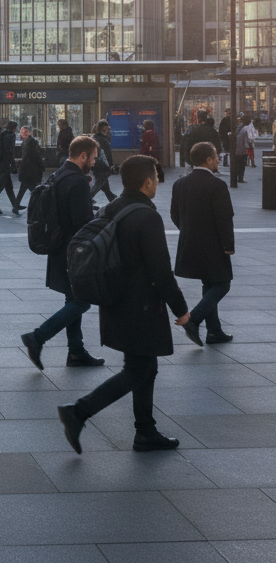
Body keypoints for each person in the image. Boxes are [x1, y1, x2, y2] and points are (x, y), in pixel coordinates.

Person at [56, 155, 191, 455]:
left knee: (144, 366)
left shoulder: (112, 207)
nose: (157, 181)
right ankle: (79, 411)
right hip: (141, 306)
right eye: (156, 176)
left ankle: (145, 431)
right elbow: (160, 272)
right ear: (147, 182)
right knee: (137, 370)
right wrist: (181, 310)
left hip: (116, 301)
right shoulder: (147, 216)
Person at [21, 135, 105, 370]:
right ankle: (38, 336)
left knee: (73, 298)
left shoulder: (59, 174)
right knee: (82, 300)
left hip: (59, 247)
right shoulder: (77, 181)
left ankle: (76, 352)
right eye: (94, 158)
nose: (95, 163)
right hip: (74, 251)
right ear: (83, 156)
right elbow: (82, 222)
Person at [171, 141, 235, 346]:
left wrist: (189, 231)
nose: (218, 159)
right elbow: (224, 218)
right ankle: (194, 319)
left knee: (209, 283)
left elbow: (174, 214)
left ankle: (214, 331)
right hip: (214, 245)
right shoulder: (217, 185)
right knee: (222, 283)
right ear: (208, 160)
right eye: (216, 156)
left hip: (190, 242)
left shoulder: (180, 183)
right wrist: (228, 245)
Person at [89, 120, 117, 203]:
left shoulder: (94, 138)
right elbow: (107, 154)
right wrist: (111, 165)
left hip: (95, 164)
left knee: (104, 183)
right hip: (102, 166)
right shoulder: (104, 141)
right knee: (99, 182)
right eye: (106, 130)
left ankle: (111, 197)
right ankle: (88, 198)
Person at [16, 125, 44, 206]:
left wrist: (40, 165)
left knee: (27, 187)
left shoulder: (31, 142)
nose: (23, 133)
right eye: (22, 132)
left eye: (26, 132)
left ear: (29, 132)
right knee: (30, 188)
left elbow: (36, 155)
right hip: (29, 169)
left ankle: (17, 205)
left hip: (31, 169)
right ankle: (39, 204)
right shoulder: (27, 142)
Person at [234, 115, 251, 182]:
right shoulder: (245, 128)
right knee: (242, 164)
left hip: (239, 148)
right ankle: (240, 178)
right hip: (242, 149)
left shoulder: (240, 127)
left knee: (239, 164)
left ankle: (239, 177)